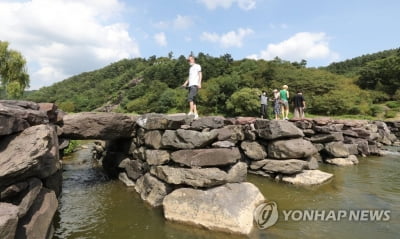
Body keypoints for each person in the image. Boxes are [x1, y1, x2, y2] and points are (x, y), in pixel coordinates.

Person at [182, 55, 202, 119]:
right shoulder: (190, 68)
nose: (189, 61)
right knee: (193, 100)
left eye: (189, 60)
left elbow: (200, 74)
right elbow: (189, 77)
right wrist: (185, 83)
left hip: (195, 85)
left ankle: (191, 111)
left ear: (193, 59)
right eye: (188, 60)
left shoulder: (197, 66)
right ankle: (196, 114)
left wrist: (199, 83)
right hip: (190, 85)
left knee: (190, 98)